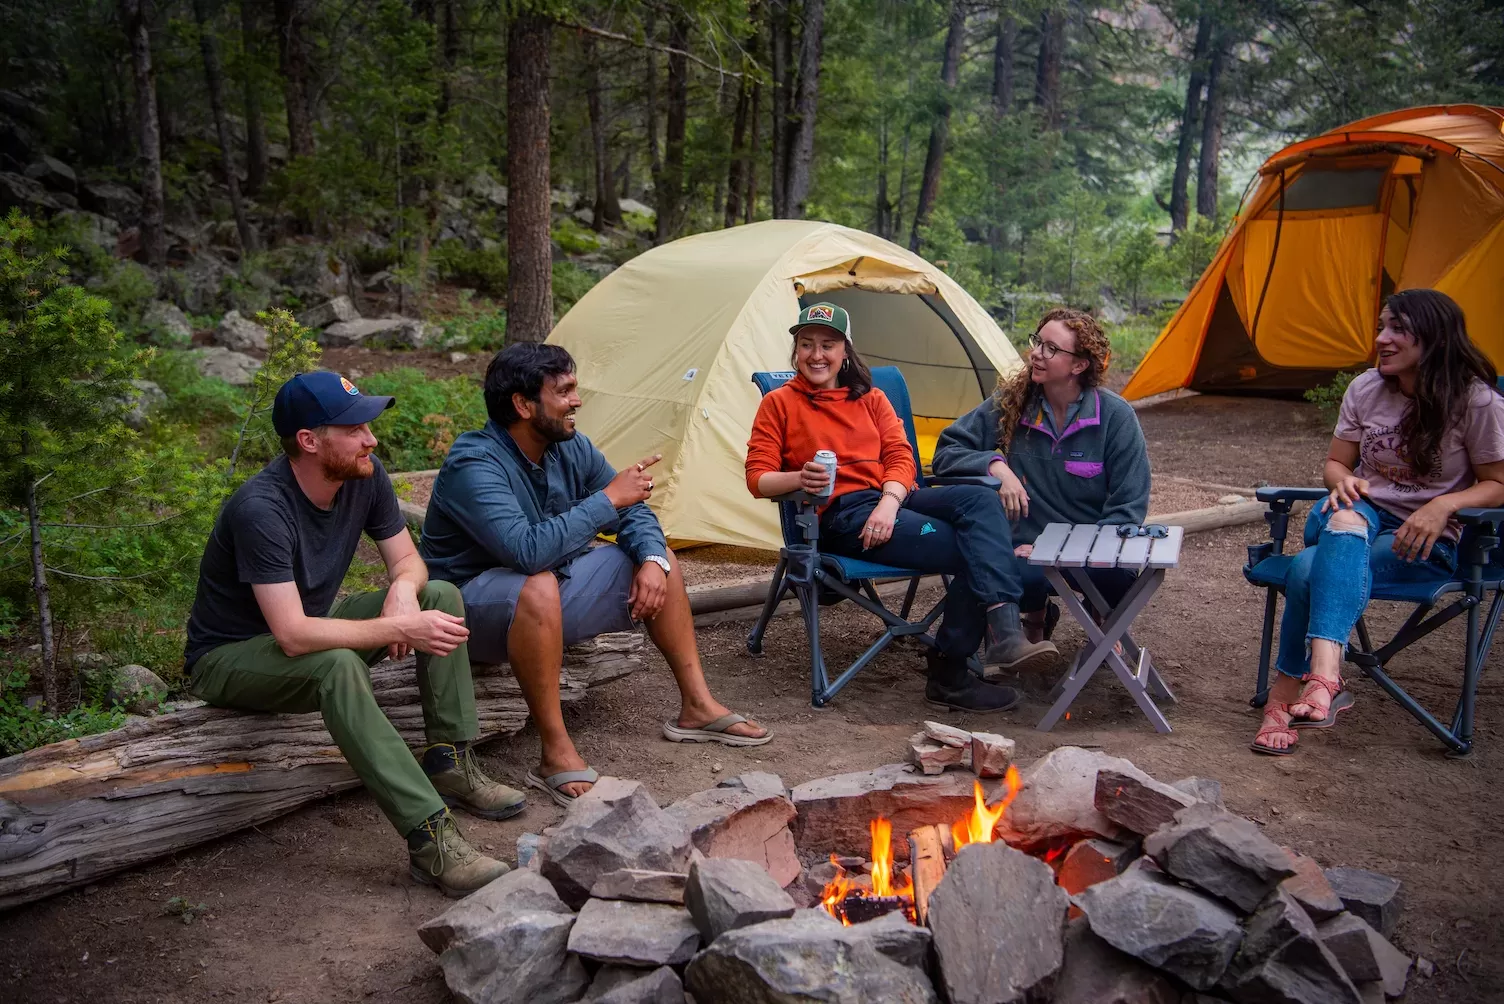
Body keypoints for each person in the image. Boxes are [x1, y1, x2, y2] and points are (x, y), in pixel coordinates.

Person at [184, 371, 518, 899]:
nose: (372, 439)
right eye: (355, 428)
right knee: (335, 664)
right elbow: (292, 635)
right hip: (230, 657)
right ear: (309, 441)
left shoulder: (364, 476)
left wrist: (405, 593)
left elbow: (410, 560)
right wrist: (397, 626)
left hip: (307, 628)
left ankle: (451, 761)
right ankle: (431, 839)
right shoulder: (261, 509)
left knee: (442, 595)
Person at [420, 343, 770, 807]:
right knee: (539, 582)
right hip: (466, 615)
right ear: (523, 405)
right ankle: (554, 753)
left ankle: (697, 707)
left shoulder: (569, 447)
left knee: (659, 556)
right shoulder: (474, 463)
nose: (577, 400)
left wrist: (650, 559)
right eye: (564, 391)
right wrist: (607, 500)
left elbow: (634, 513)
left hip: (546, 594)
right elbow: (526, 551)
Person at [744, 302, 1059, 713]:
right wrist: (798, 479)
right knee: (978, 548)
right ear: (796, 350)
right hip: (842, 515)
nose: (816, 355)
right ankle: (950, 671)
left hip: (894, 500)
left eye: (827, 344)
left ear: (845, 351)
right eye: (806, 345)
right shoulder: (780, 404)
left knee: (980, 499)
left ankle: (1004, 628)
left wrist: (890, 504)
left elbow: (902, 457)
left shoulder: (871, 398)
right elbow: (758, 478)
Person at [1249, 289, 1504, 754]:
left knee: (1307, 569)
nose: (1381, 339)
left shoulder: (1476, 402)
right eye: (1382, 327)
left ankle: (1287, 692)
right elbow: (1335, 464)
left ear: (1436, 339)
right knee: (1345, 521)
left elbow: (1499, 483)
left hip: (1423, 541)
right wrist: (1343, 481)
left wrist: (1443, 505)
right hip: (1354, 515)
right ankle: (1325, 676)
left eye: (1397, 330)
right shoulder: (1366, 388)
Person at [933, 308, 1151, 643]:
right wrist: (995, 466)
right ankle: (1032, 623)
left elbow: (1127, 509)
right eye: (1038, 342)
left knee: (1119, 577)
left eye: (1051, 348)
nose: (1036, 353)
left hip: (1090, 550)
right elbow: (947, 453)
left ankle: (1104, 626)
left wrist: (1056, 549)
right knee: (993, 571)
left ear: (1079, 365)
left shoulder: (1116, 417)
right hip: (1021, 549)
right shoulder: (1011, 403)